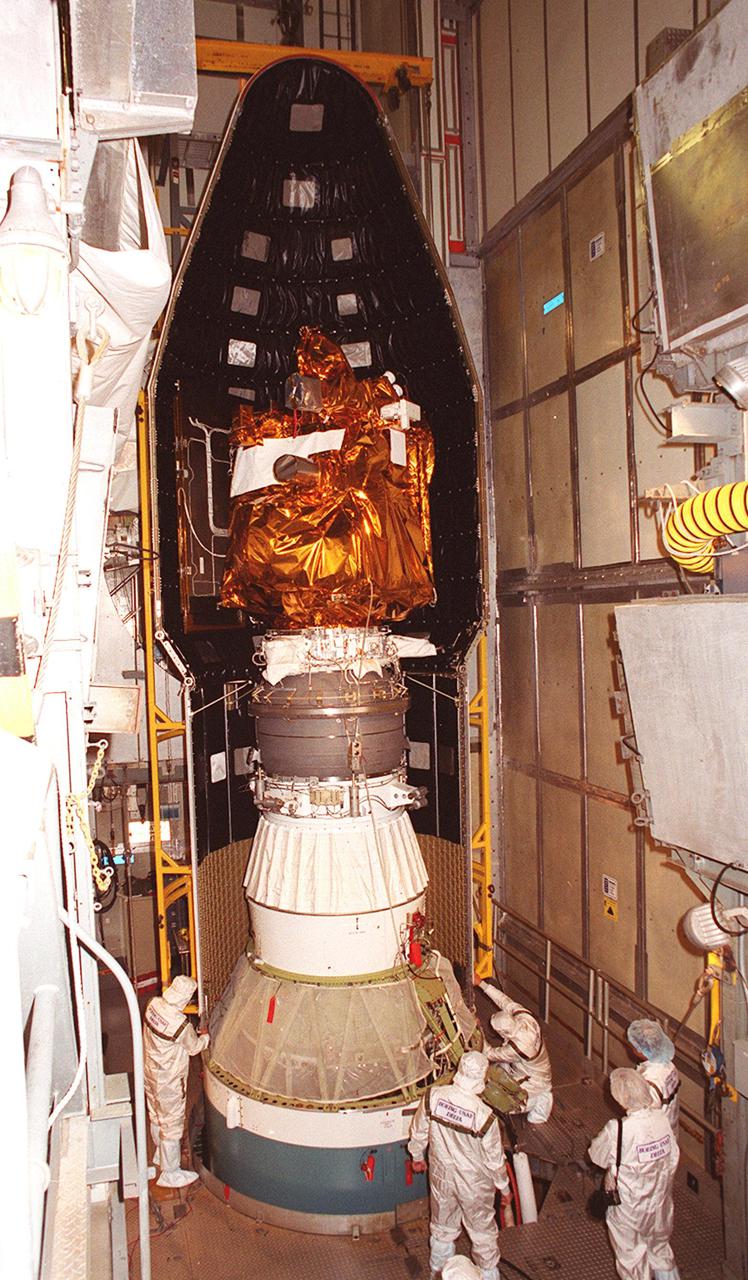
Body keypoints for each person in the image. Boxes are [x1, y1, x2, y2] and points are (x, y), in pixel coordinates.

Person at [408, 1050, 511, 1280]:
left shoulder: (432, 1097)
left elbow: (419, 1132)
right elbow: (494, 1160)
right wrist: (504, 1189)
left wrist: (417, 1157)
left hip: (441, 1175)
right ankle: (488, 1275)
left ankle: (438, 1272)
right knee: (482, 1232)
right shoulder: (485, 1117)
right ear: (482, 1077)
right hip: (474, 1183)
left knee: (442, 1227)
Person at [588, 1067, 681, 1280]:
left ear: (620, 1099)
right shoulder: (662, 1118)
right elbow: (673, 1157)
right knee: (660, 1251)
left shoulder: (618, 1130)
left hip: (629, 1209)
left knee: (631, 1259)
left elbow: (596, 1156)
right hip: (660, 1203)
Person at [143, 974, 209, 1188]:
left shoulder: (153, 1005)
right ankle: (170, 1173)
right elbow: (195, 1047)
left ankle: (160, 1155)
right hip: (169, 1080)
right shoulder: (179, 1024)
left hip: (151, 1071)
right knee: (171, 1124)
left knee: (156, 1114)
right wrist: (205, 1036)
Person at [479, 982, 553, 1124]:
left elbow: (489, 1053)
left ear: (503, 1032)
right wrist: (482, 984)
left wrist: (478, 1029)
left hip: (535, 1081)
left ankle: (537, 1103)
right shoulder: (525, 1018)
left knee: (500, 1101)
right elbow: (505, 1001)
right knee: (497, 1071)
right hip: (529, 1068)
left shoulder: (518, 1048)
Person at [627, 1019, 680, 1133]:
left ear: (641, 1051)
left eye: (633, 1045)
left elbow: (645, 1118)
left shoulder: (648, 1081)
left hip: (654, 1136)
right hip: (670, 1126)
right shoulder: (670, 1066)